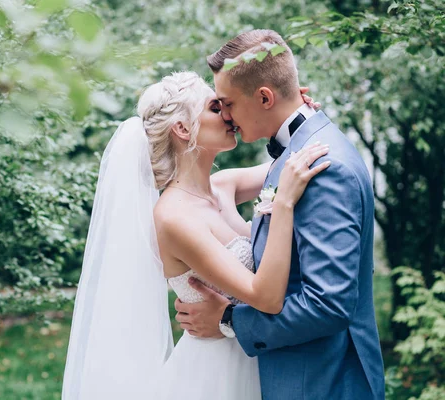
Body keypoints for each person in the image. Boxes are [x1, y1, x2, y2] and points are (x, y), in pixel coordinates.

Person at [62, 68, 329, 399]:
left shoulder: (222, 186)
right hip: (214, 376)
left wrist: (297, 115)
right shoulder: (175, 217)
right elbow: (266, 296)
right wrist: (284, 204)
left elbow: (296, 161)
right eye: (216, 108)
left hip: (256, 359)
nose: (229, 115)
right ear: (183, 128)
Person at [175, 29, 386, 399]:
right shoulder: (299, 150)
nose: (225, 115)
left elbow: (328, 305)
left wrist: (227, 321)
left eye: (227, 103)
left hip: (322, 382)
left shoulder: (322, 168)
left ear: (264, 97)